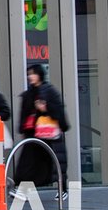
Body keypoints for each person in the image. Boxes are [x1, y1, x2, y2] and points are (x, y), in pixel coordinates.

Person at [16, 63, 69, 200]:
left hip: (49, 135)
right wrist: (23, 127)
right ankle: (24, 190)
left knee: (54, 163)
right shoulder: (29, 94)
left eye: (33, 73)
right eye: (29, 74)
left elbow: (59, 112)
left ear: (40, 75)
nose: (30, 77)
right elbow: (25, 113)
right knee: (28, 163)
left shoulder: (49, 91)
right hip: (33, 134)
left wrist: (46, 109)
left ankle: (62, 189)